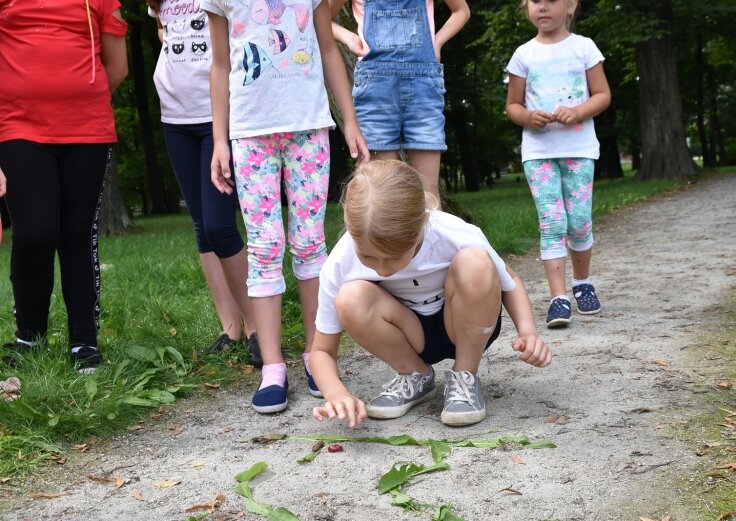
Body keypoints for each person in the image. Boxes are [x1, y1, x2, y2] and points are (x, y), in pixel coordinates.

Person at [203, 0, 370, 413]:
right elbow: (220, 66)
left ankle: (318, 356)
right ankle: (272, 367)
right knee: (263, 247)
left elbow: (328, 49)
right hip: (250, 135)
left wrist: (349, 120)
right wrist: (220, 140)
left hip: (308, 128)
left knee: (311, 243)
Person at [310, 160, 551, 428]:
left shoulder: (454, 232)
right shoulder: (341, 260)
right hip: (407, 332)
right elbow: (321, 350)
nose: (382, 270)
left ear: (423, 222)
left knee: (476, 263)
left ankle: (465, 375)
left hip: (462, 323)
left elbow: (511, 280)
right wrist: (335, 393)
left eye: (394, 258)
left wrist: (528, 332)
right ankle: (415, 376)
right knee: (350, 296)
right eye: (367, 256)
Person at [0, 0, 128, 372]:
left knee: (76, 234)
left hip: (86, 131)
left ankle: (84, 341)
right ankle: (30, 334)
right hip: (18, 128)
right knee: (35, 231)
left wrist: (74, 96)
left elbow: (117, 67)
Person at [147, 0, 260, 364]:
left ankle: (259, 327)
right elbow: (164, 27)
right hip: (174, 115)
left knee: (219, 224)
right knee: (201, 226)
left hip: (219, 115)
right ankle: (232, 327)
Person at [504, 0, 611, 329]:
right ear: (526, 7)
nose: (543, 7)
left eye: (551, 0)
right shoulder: (523, 55)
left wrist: (578, 111)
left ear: (571, 5)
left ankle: (582, 283)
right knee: (552, 222)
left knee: (578, 221)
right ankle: (558, 297)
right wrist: (528, 117)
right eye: (535, 1)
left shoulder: (584, 48)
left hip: (578, 150)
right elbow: (513, 106)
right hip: (539, 153)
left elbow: (602, 94)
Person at [328, 0, 470, 204]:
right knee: (383, 192)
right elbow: (323, 18)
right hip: (376, 93)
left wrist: (436, 42)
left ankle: (429, 236)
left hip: (424, 88)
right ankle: (384, 237)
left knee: (428, 195)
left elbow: (461, 11)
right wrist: (349, 37)